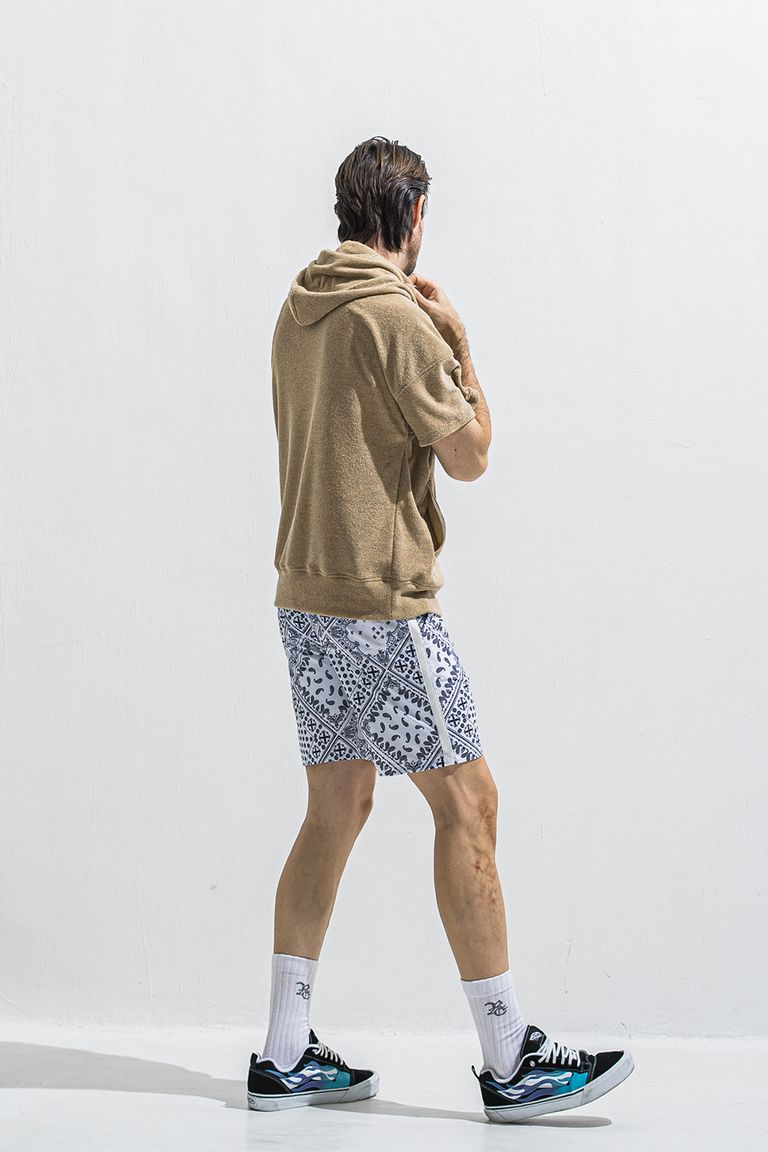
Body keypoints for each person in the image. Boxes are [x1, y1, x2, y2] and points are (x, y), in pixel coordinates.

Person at [247, 136, 635, 1122]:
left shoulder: (298, 307)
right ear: (412, 214)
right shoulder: (397, 317)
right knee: (472, 803)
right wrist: (460, 338)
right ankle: (511, 1059)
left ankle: (284, 1053)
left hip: (305, 599)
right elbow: (471, 454)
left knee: (336, 809)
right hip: (384, 606)